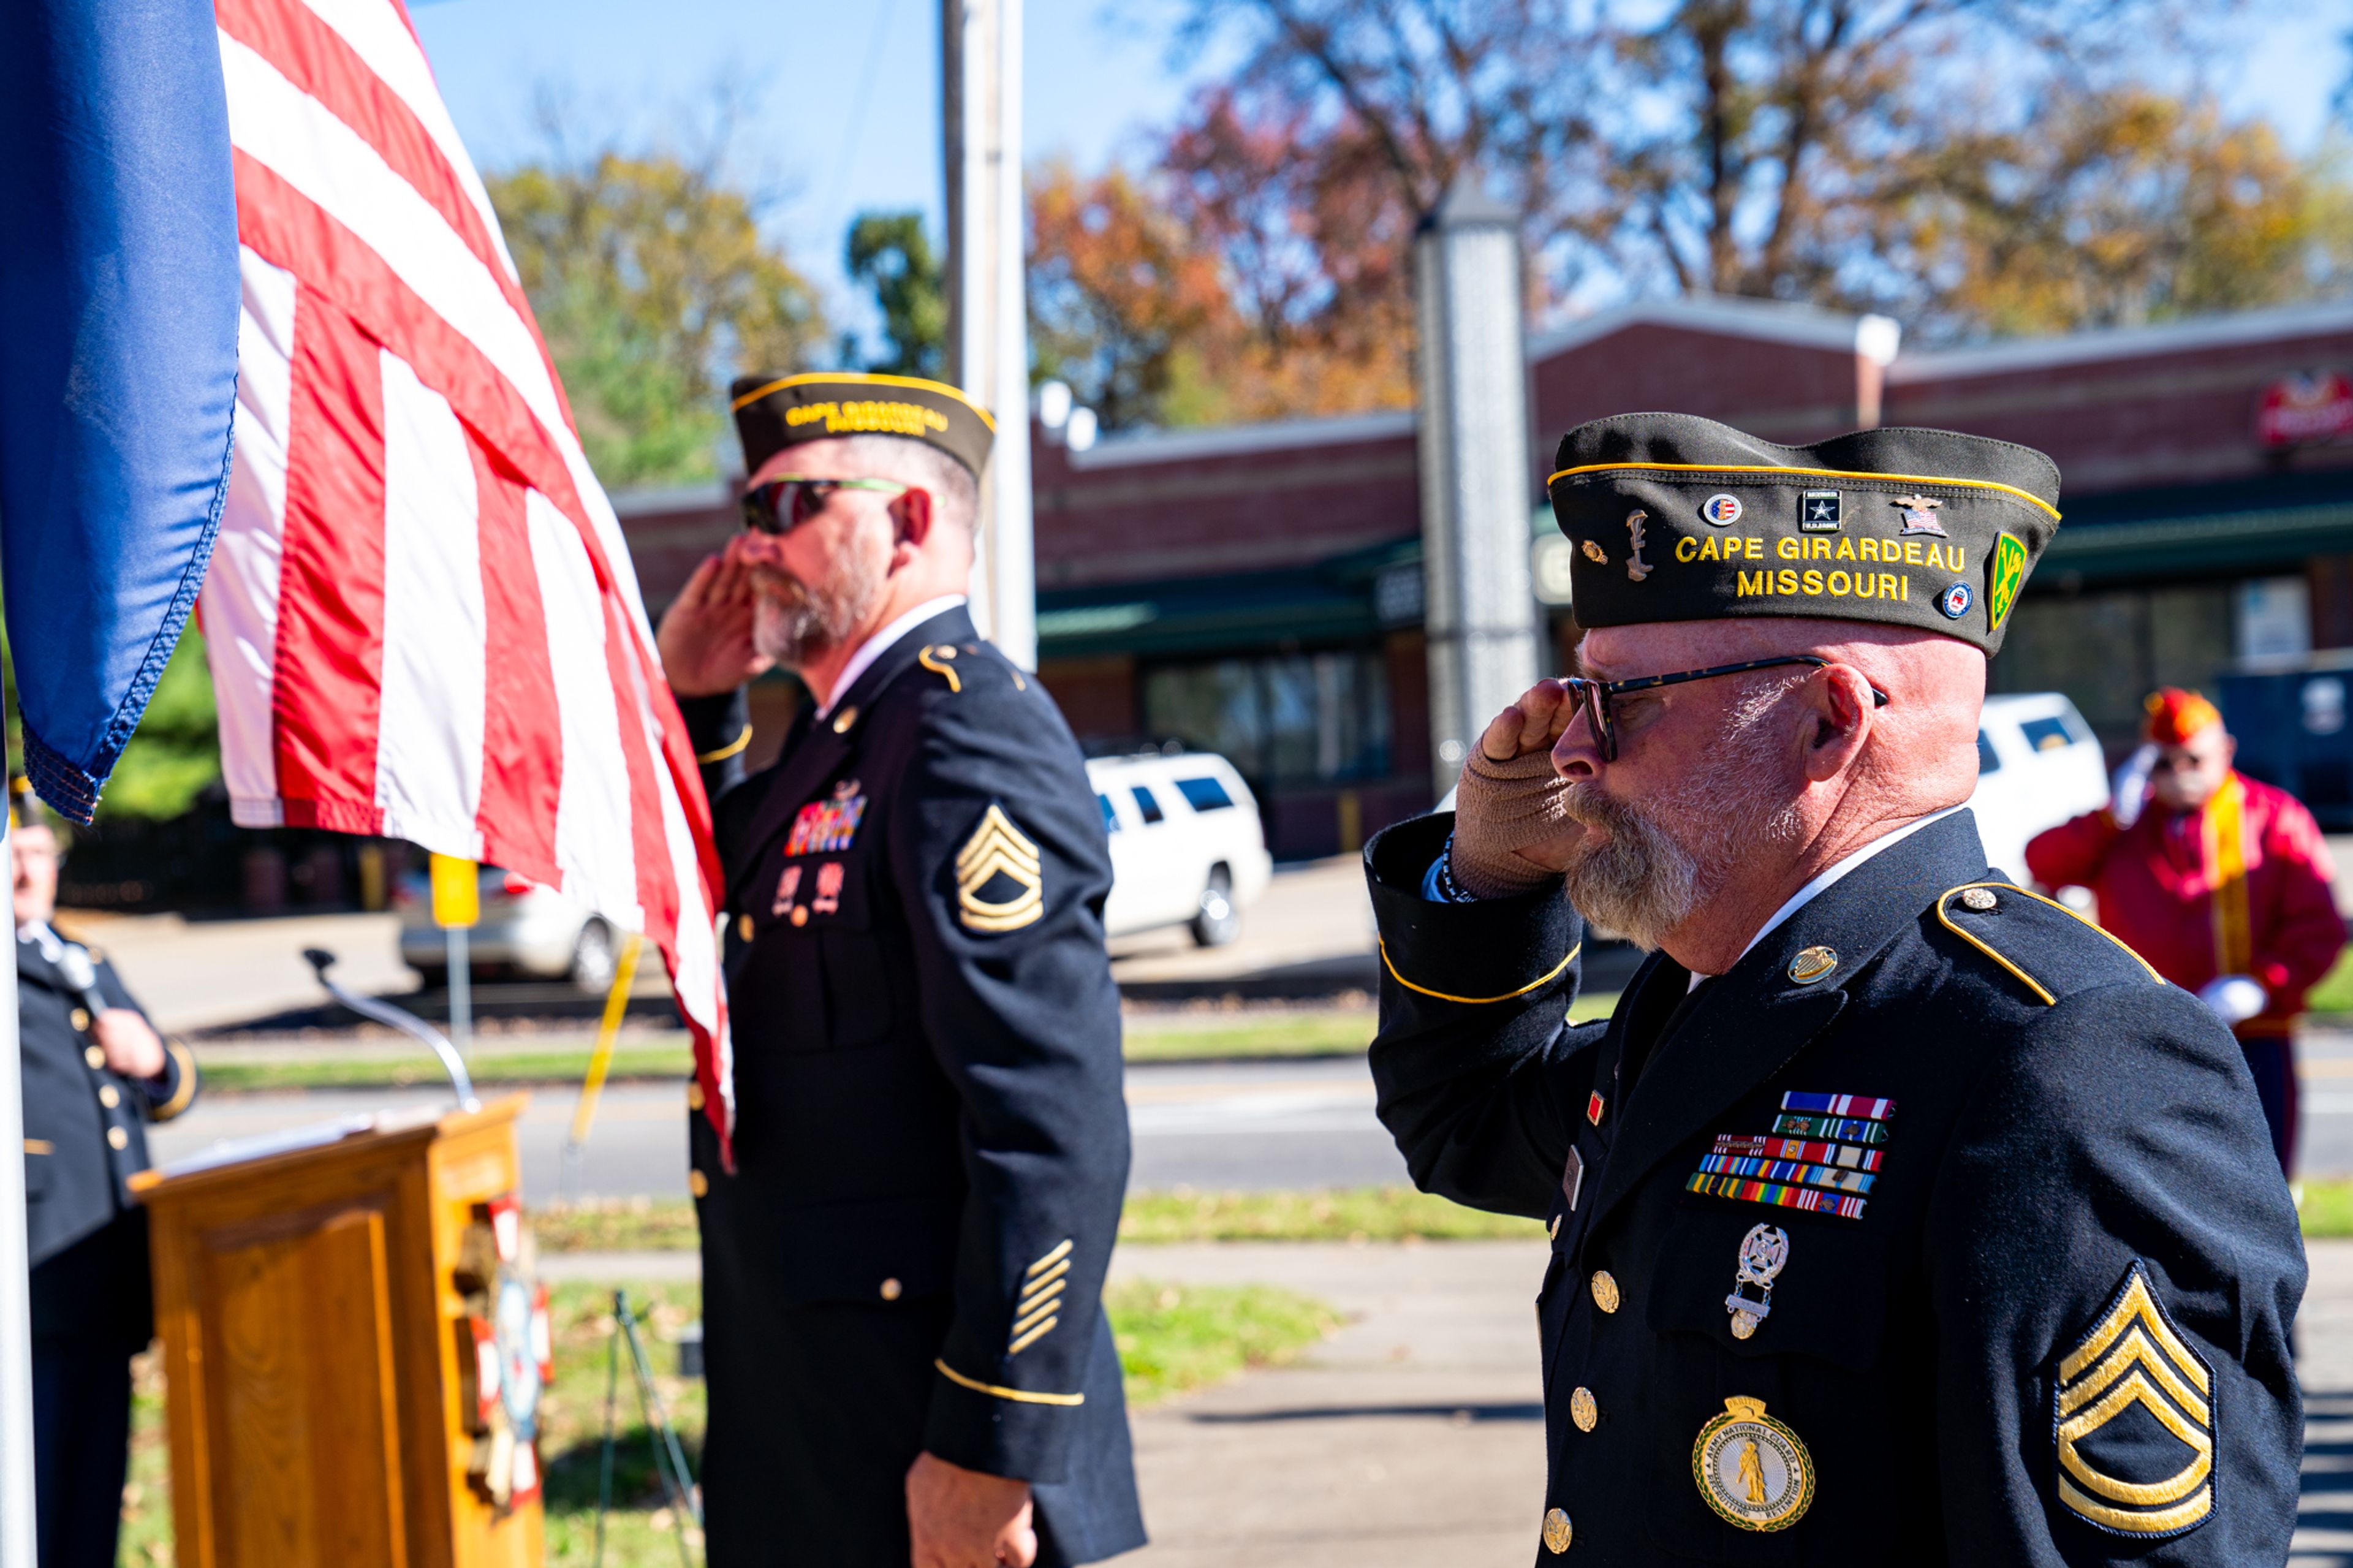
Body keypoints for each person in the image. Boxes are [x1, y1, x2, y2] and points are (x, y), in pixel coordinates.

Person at [1365, 413, 2303, 1562]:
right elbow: (1465, 1121)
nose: (1571, 750)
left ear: (1828, 720)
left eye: (1624, 700)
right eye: (1578, 694)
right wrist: (1492, 880)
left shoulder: (2064, 1058)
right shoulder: (1703, 997)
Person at [656, 372, 1143, 1568]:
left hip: (931, 1450)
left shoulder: (964, 730)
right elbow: (719, 907)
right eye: (748, 508)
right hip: (817, 1433)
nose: (750, 544)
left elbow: (1053, 1126)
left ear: (911, 522)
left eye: (793, 508)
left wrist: (989, 1449)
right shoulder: (842, 741)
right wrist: (696, 703)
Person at [2028, 688, 2345, 1173]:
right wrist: (2109, 817)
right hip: (2152, 1037)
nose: (2179, 775)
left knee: (2261, 1183)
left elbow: (2320, 925)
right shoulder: (2123, 826)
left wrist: (2263, 984)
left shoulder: (2275, 817)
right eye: (2163, 763)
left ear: (2225, 752)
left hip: (2254, 1035)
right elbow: (2044, 860)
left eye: (2193, 759)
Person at [13, 779, 199, 1568]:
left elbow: (173, 1089)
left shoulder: (85, 958)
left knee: (95, 1482)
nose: (28, 873)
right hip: (32, 1267)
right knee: (34, 1489)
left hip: (110, 1262)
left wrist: (155, 1062)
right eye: (10, 856)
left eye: (38, 853)